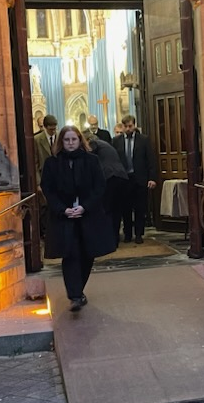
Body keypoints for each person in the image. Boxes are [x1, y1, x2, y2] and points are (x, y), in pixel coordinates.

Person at [42, 126, 116, 310]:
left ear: (79, 140)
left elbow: (99, 186)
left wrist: (85, 206)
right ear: (61, 142)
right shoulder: (52, 163)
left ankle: (78, 290)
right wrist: (63, 209)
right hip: (64, 216)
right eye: (66, 140)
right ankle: (74, 294)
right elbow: (48, 189)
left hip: (88, 215)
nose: (70, 143)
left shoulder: (91, 160)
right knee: (71, 253)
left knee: (86, 253)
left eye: (73, 139)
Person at [112, 114, 159, 244]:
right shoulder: (116, 141)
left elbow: (151, 159)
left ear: (134, 126)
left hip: (140, 178)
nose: (128, 129)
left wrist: (152, 178)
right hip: (124, 179)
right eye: (125, 126)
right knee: (125, 208)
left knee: (140, 208)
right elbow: (114, 160)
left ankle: (139, 234)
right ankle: (127, 234)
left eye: (130, 126)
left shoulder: (143, 140)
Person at [86, 130, 129, 245]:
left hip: (110, 177)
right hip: (121, 176)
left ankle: (109, 239)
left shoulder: (93, 143)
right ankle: (115, 238)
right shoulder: (105, 144)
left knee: (108, 209)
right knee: (117, 210)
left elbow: (89, 157)